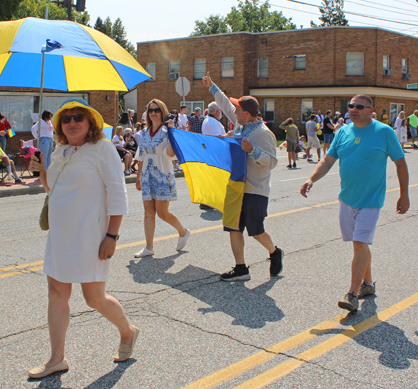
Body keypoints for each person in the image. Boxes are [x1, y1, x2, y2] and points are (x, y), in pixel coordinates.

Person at [27, 98, 137, 379]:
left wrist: (112, 235)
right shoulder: (60, 150)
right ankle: (56, 359)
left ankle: (127, 331)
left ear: (90, 124)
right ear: (60, 126)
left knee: (94, 298)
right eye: (66, 119)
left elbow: (117, 194)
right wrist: (41, 173)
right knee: (56, 293)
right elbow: (54, 189)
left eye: (79, 117)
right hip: (60, 235)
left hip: (91, 236)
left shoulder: (102, 149)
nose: (72, 122)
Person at [300, 94, 409, 312]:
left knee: (360, 244)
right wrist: (311, 178)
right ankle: (367, 284)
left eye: (360, 106)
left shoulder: (384, 132)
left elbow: (400, 163)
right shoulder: (343, 132)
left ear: (371, 110)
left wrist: (404, 194)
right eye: (351, 106)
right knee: (359, 244)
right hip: (347, 198)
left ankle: (352, 294)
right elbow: (327, 160)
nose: (354, 109)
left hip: (371, 200)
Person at [203, 71, 283, 280]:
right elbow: (225, 104)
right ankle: (241, 268)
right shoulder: (240, 124)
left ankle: (275, 252)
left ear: (246, 113)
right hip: (236, 185)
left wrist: (252, 151)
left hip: (255, 189)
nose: (234, 110)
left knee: (255, 230)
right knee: (233, 227)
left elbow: (272, 162)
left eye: (237, 108)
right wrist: (212, 86)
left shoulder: (264, 134)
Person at [134, 99, 190, 258]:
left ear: (162, 112)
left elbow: (171, 155)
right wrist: (138, 176)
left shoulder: (167, 132)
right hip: (147, 175)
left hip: (162, 175)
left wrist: (172, 131)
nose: (153, 113)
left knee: (162, 213)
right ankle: (149, 247)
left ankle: (183, 232)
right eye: (150, 110)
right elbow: (141, 155)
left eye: (156, 110)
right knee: (148, 212)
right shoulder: (144, 132)